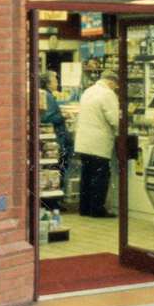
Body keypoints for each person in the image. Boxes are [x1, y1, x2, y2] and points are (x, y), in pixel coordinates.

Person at [74, 70, 120, 218]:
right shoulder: (108, 94)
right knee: (100, 176)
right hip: (98, 142)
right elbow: (114, 119)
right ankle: (97, 210)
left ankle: (84, 208)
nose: (115, 89)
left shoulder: (88, 91)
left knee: (86, 175)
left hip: (83, 141)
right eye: (115, 86)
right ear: (111, 82)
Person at [39, 71, 72, 192]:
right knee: (58, 168)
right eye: (55, 80)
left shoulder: (47, 95)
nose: (57, 83)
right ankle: (55, 201)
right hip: (57, 137)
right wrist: (63, 116)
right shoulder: (47, 97)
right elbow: (46, 117)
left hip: (57, 136)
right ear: (48, 84)